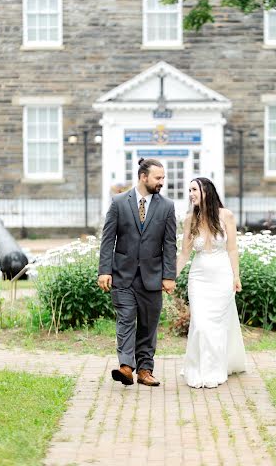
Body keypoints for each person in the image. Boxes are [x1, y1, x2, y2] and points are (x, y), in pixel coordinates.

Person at [98, 157, 177, 386]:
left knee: (148, 325)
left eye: (163, 177)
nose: (162, 182)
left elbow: (169, 244)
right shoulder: (119, 202)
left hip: (152, 277)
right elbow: (107, 239)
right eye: (158, 177)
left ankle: (145, 370)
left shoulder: (167, 206)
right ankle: (125, 366)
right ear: (144, 177)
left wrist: (169, 276)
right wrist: (105, 270)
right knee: (125, 319)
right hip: (123, 275)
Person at [177, 177, 246, 388]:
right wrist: (170, 276)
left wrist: (236, 276)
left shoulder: (226, 216)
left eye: (194, 190)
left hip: (222, 277)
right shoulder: (190, 219)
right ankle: (197, 368)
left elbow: (232, 249)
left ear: (206, 191)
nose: (191, 194)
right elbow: (185, 252)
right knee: (200, 324)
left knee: (215, 325)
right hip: (198, 279)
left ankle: (214, 369)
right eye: (189, 190)